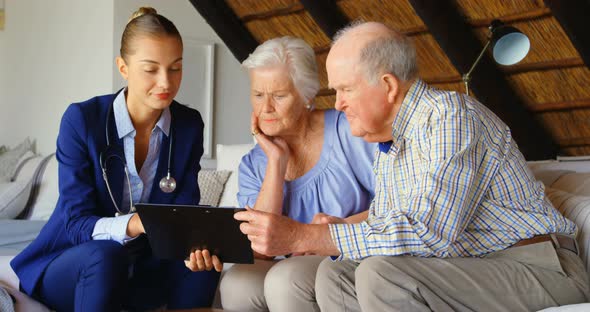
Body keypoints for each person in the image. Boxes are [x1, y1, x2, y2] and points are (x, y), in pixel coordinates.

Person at [235, 21, 590, 311]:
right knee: (334, 273)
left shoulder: (450, 118)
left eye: (345, 90)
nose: (338, 104)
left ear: (387, 86)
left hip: (538, 266)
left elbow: (430, 231)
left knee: (381, 274)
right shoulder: (391, 143)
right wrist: (341, 226)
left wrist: (306, 235)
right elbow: (393, 222)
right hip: (472, 262)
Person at [11, 7, 221, 311]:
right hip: (75, 261)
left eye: (175, 68)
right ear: (123, 68)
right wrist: (135, 224)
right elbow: (76, 224)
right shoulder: (82, 120)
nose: (166, 82)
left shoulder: (188, 125)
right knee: (107, 255)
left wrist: (198, 241)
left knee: (205, 262)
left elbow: (182, 210)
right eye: (151, 69)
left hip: (143, 265)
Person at [217, 36, 376, 312]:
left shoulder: (348, 132)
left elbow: (394, 205)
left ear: (306, 97)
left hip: (347, 256)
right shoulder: (254, 163)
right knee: (236, 282)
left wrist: (329, 230)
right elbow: (260, 248)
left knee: (284, 278)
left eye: (278, 96)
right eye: (257, 95)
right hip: (289, 264)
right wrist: (276, 162)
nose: (265, 108)